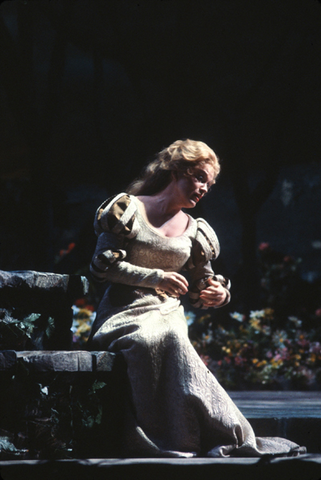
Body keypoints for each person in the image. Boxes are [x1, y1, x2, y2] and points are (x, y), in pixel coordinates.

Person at [88, 139, 305, 458]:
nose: (205, 188)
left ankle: (196, 433)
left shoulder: (195, 229)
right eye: (200, 177)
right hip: (123, 312)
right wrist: (156, 277)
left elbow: (203, 283)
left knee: (171, 336)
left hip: (166, 313)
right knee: (153, 340)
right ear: (177, 171)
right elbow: (100, 267)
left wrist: (218, 293)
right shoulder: (127, 209)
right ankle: (162, 437)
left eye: (210, 183)